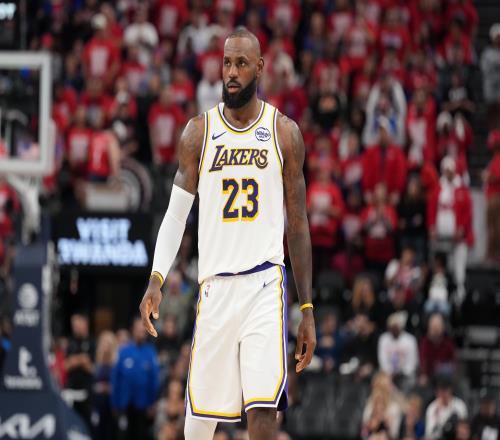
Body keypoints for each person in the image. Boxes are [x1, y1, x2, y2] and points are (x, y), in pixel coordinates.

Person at [139, 28, 316, 439]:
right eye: (226, 63)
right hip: (215, 286)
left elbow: (298, 224)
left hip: (264, 285)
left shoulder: (283, 133)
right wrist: (156, 277)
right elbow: (175, 215)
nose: (232, 72)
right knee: (200, 421)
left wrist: (306, 308)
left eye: (241, 63)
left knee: (263, 411)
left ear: (260, 67)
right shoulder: (198, 133)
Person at [111, 317, 160, 440]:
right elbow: (115, 379)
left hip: (143, 406)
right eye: (139, 329)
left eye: (143, 329)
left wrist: (153, 403)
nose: (141, 332)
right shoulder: (123, 352)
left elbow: (154, 380)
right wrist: (114, 403)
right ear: (133, 330)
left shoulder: (150, 352)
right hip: (124, 405)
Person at [425, 375, 468, 440]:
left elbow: (465, 429)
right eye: (441, 390)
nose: (443, 393)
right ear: (437, 391)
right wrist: (436, 419)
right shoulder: (432, 408)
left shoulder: (459, 405)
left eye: (445, 390)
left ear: (450, 390)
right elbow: (430, 434)